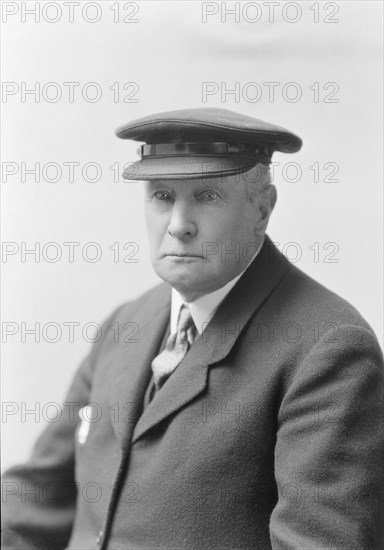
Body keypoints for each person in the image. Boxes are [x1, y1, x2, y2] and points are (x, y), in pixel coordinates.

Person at [2, 108, 383, 550]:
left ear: (262, 208)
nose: (179, 225)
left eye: (207, 196)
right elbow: (36, 496)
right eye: (162, 196)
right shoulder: (125, 324)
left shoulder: (327, 349)